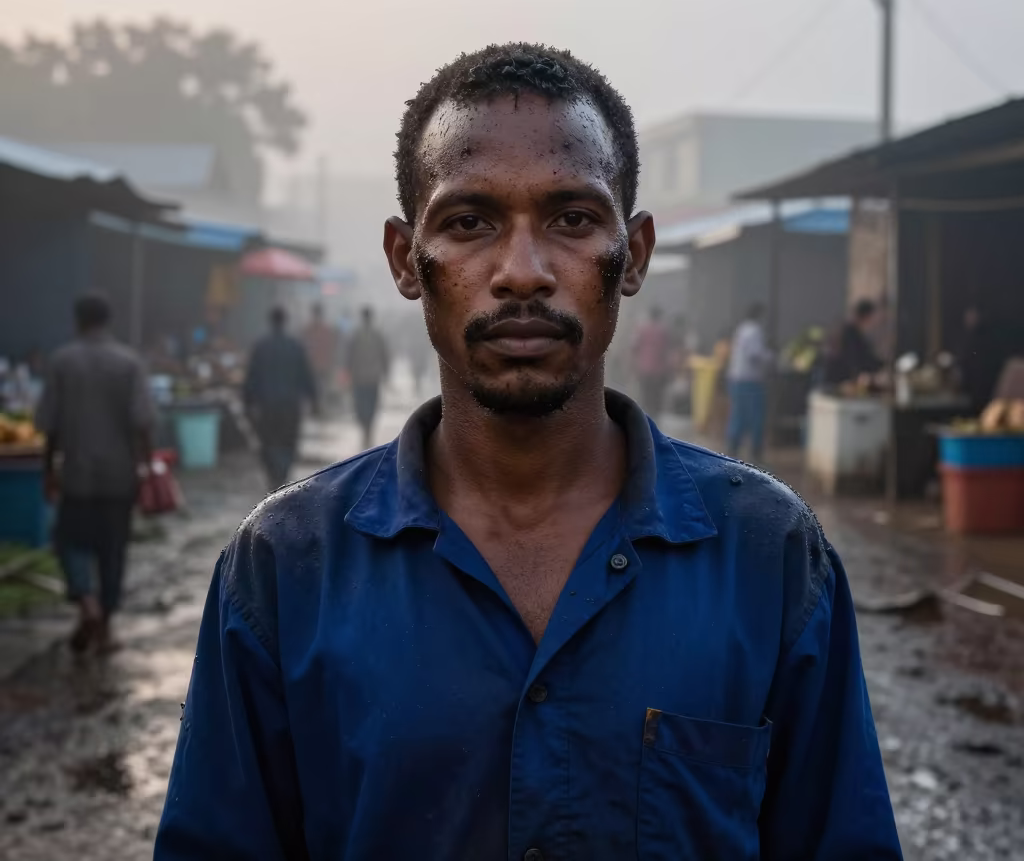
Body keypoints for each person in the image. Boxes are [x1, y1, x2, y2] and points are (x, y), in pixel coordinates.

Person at [157, 44, 902, 860]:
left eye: (573, 220)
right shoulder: (285, 569)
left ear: (636, 255)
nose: (522, 272)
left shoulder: (769, 555)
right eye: (469, 222)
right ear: (408, 260)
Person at [35, 292, 154, 654]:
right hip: (120, 476)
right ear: (108, 321)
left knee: (68, 540)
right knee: (113, 549)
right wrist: (146, 466)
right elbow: (143, 422)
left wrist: (49, 471)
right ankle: (105, 625)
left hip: (77, 474)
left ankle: (86, 601)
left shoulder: (62, 361)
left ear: (78, 321)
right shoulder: (129, 363)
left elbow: (48, 425)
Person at [243, 306, 317, 491]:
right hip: (290, 405)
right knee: (288, 441)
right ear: (285, 321)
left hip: (267, 405)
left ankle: (273, 476)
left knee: (268, 440)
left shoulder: (260, 347)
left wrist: (247, 402)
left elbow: (251, 377)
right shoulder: (295, 346)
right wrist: (314, 399)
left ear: (270, 321)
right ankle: (282, 474)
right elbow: (306, 375)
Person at [726, 303, 771, 460]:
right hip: (750, 381)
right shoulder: (754, 330)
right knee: (755, 417)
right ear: (759, 315)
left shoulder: (742, 329)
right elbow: (754, 354)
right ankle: (756, 452)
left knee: (738, 415)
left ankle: (733, 448)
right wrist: (771, 357)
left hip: (736, 379)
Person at [346, 305, 390, 449]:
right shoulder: (377, 335)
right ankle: (367, 429)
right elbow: (385, 356)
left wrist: (348, 371)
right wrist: (385, 373)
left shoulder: (356, 334)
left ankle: (366, 428)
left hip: (359, 377)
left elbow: (349, 356)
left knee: (361, 405)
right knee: (371, 405)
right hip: (373, 378)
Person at [822, 298, 885, 387]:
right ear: (866, 316)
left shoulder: (848, 330)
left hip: (835, 380)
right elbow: (857, 358)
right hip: (838, 382)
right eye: (873, 318)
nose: (874, 322)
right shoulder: (850, 333)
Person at [630, 304, 672, 417]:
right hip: (658, 370)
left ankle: (644, 416)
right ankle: (654, 417)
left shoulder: (642, 329)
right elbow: (666, 350)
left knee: (645, 394)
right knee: (655, 396)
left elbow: (634, 347)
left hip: (644, 368)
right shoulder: (663, 331)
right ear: (659, 316)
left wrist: (634, 364)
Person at [302, 302, 341, 414]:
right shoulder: (326, 330)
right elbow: (332, 348)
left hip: (315, 366)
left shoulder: (308, 331)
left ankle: (316, 408)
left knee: (316, 388)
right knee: (320, 388)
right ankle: (318, 408)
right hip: (322, 366)